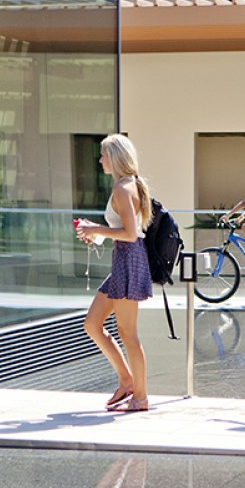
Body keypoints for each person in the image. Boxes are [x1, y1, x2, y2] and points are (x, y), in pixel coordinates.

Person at [75, 134, 153, 412]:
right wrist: (96, 229)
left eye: (103, 155)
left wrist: (96, 230)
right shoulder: (128, 185)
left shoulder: (123, 187)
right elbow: (126, 231)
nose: (100, 160)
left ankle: (140, 397)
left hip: (128, 260)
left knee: (128, 333)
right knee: (92, 324)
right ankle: (127, 381)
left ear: (116, 157)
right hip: (124, 259)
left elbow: (130, 235)